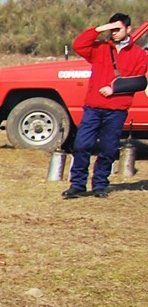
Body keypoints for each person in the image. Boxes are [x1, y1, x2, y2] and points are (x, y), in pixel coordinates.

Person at [63, 13, 147, 199]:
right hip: (93, 107)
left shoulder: (139, 55)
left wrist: (114, 89)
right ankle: (77, 184)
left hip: (116, 110)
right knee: (82, 145)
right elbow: (79, 45)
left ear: (129, 29)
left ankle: (100, 185)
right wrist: (99, 29)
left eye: (117, 29)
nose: (114, 33)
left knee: (108, 149)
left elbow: (139, 81)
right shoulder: (99, 48)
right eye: (112, 29)